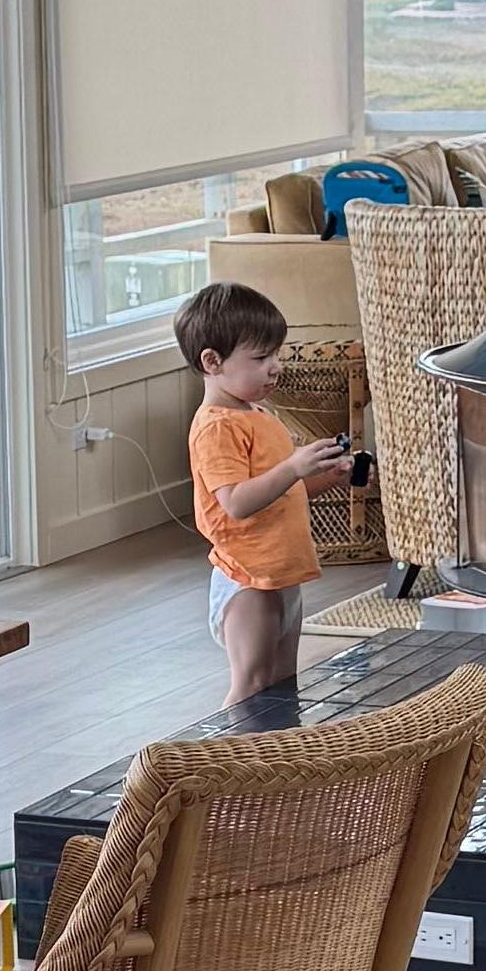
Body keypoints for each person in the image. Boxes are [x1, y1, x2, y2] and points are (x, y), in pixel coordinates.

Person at [174, 276, 349, 702]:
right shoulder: (216, 427)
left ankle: (275, 764)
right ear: (212, 361)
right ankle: (228, 762)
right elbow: (235, 503)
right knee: (252, 685)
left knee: (281, 686)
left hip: (281, 571)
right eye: (260, 357)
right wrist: (293, 467)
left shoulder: (256, 414)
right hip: (248, 577)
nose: (275, 366)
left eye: (276, 353)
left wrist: (325, 475)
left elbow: (280, 495)